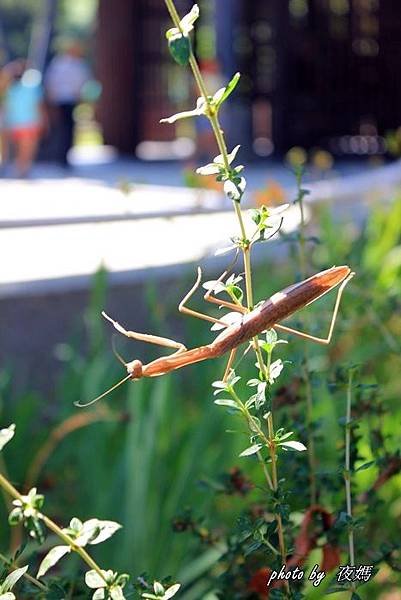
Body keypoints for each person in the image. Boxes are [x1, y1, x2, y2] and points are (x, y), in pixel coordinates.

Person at [45, 39, 91, 167]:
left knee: (66, 128)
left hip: (67, 100)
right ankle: (60, 156)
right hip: (63, 100)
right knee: (64, 128)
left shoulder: (63, 64)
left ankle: (63, 156)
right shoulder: (64, 64)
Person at [2, 60, 44, 177]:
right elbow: (39, 105)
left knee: (20, 147)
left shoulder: (10, 91)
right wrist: (44, 120)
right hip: (30, 123)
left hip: (15, 123)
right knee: (29, 148)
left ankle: (21, 168)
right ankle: (23, 168)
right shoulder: (33, 88)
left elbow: (7, 108)